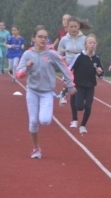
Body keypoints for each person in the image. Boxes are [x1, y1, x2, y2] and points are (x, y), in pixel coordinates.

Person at [15, 25, 76, 159]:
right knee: (33, 121)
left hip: (47, 92)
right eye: (40, 37)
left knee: (45, 120)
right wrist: (27, 68)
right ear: (33, 38)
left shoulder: (51, 54)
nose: (43, 39)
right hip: (32, 91)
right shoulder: (27, 54)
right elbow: (18, 75)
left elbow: (65, 68)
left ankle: (44, 117)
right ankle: (36, 148)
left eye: (45, 37)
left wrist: (70, 85)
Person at [68, 34, 104, 134]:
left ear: (96, 45)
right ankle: (74, 118)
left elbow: (101, 74)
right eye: (90, 43)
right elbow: (70, 68)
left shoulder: (96, 58)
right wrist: (66, 80)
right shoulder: (79, 57)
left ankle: (83, 125)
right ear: (86, 44)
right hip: (79, 85)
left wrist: (100, 72)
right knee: (80, 106)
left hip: (90, 86)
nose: (92, 45)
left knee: (88, 106)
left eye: (94, 43)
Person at [57, 16, 90, 111]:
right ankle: (63, 95)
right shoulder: (64, 40)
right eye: (71, 27)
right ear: (67, 28)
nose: (73, 29)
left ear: (78, 26)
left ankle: (79, 100)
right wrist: (63, 58)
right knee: (68, 81)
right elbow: (59, 54)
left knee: (80, 86)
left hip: (81, 65)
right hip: (69, 65)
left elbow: (90, 51)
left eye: (75, 26)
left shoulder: (84, 39)